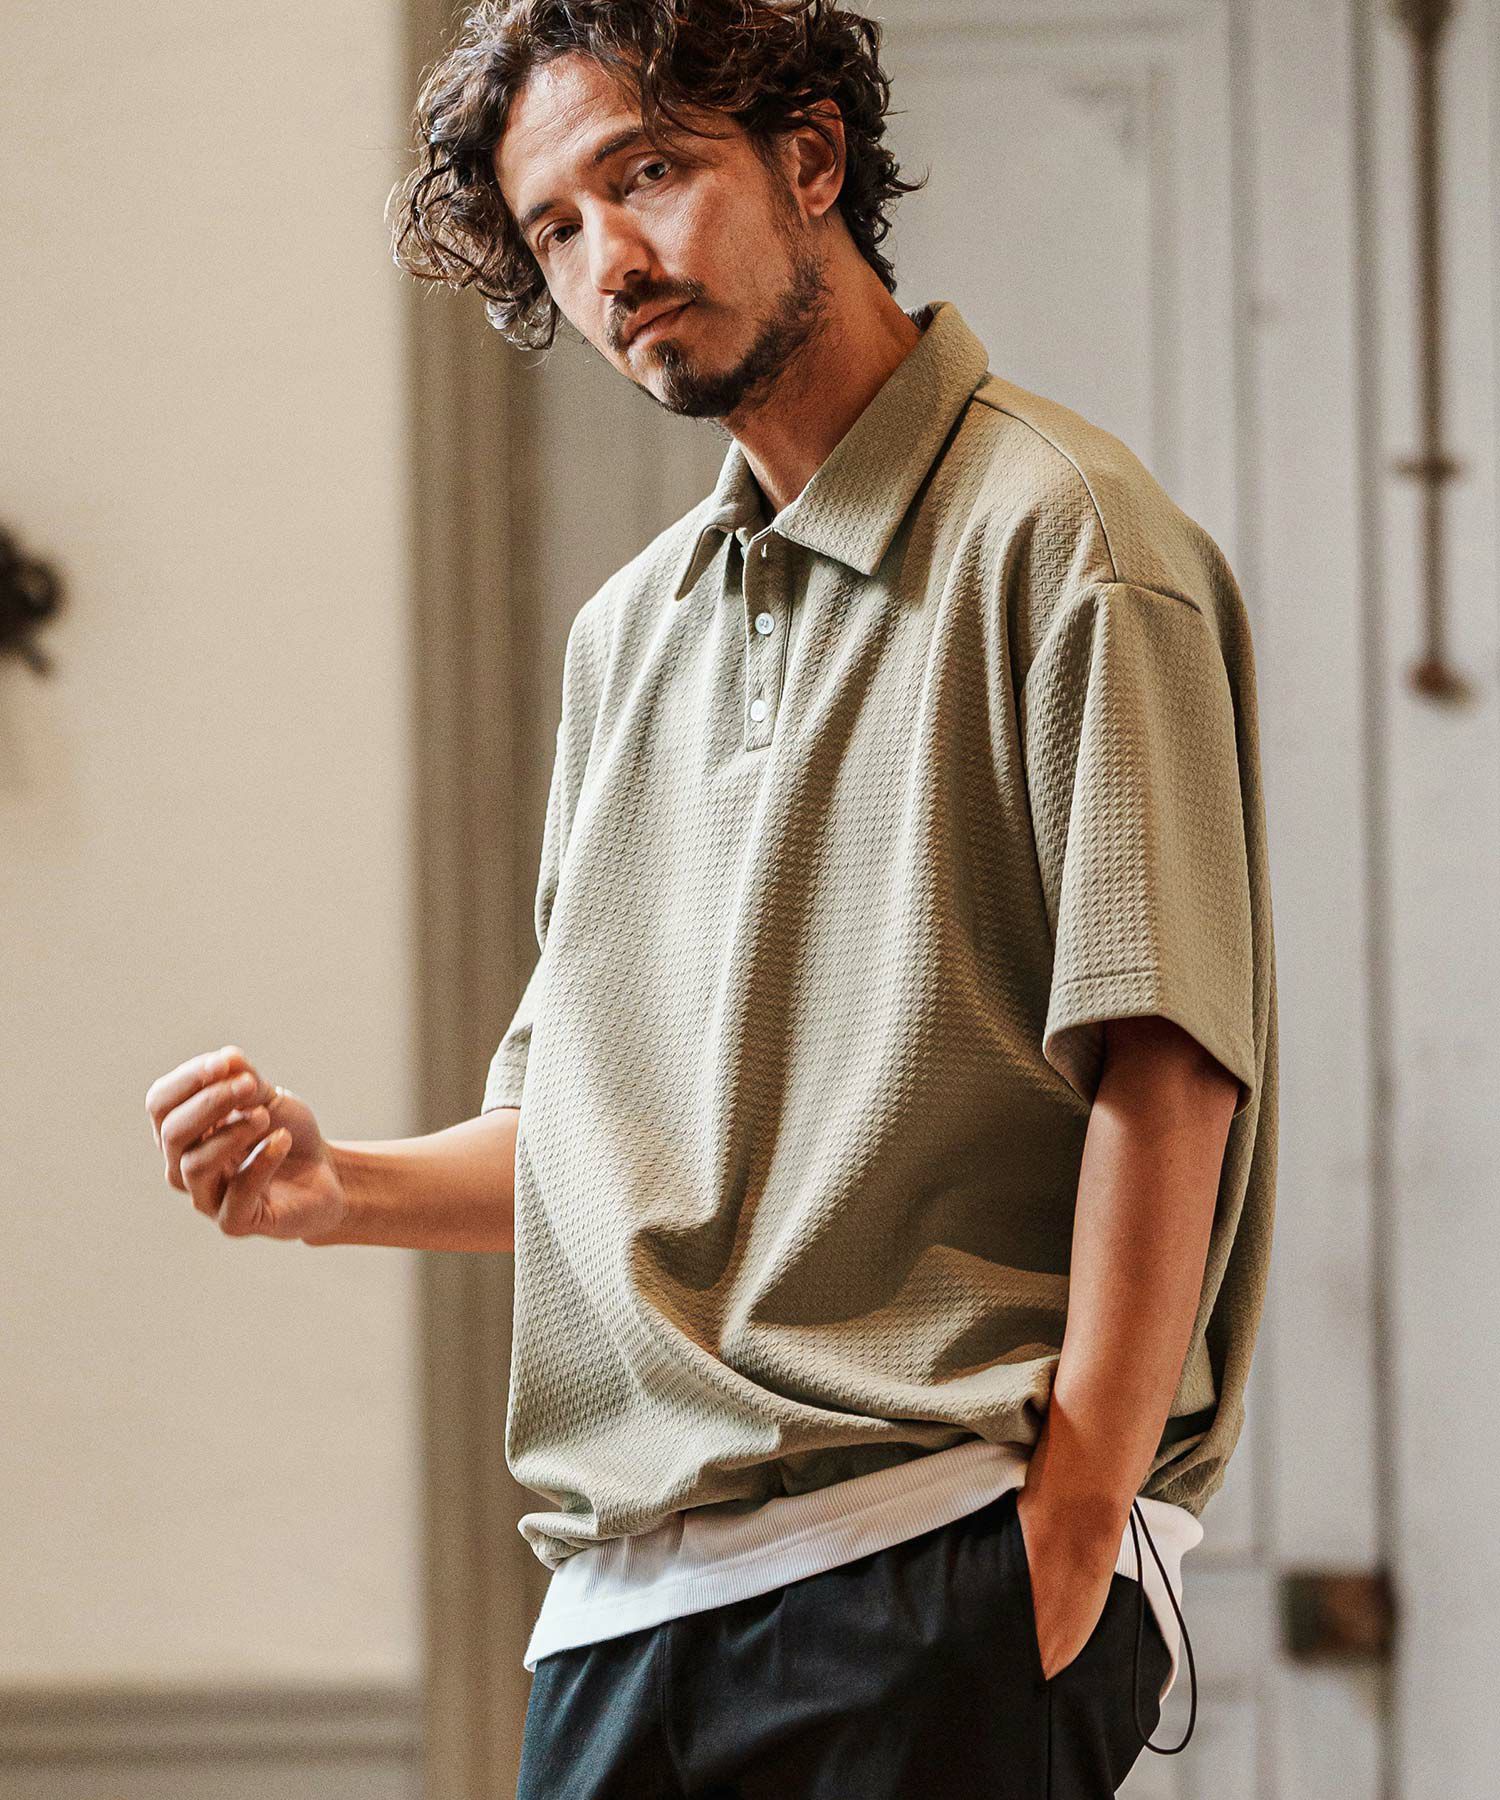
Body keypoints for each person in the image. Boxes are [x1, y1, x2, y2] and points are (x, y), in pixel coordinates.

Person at [148, 2, 1279, 1793]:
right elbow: (595, 1142)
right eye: (555, 228)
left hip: (932, 1558)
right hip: (617, 1614)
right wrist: (337, 1187)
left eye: (649, 173)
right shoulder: (626, 637)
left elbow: (1172, 1064)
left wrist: (1070, 1536)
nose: (611, 261)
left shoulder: (1071, 539)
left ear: (810, 156)